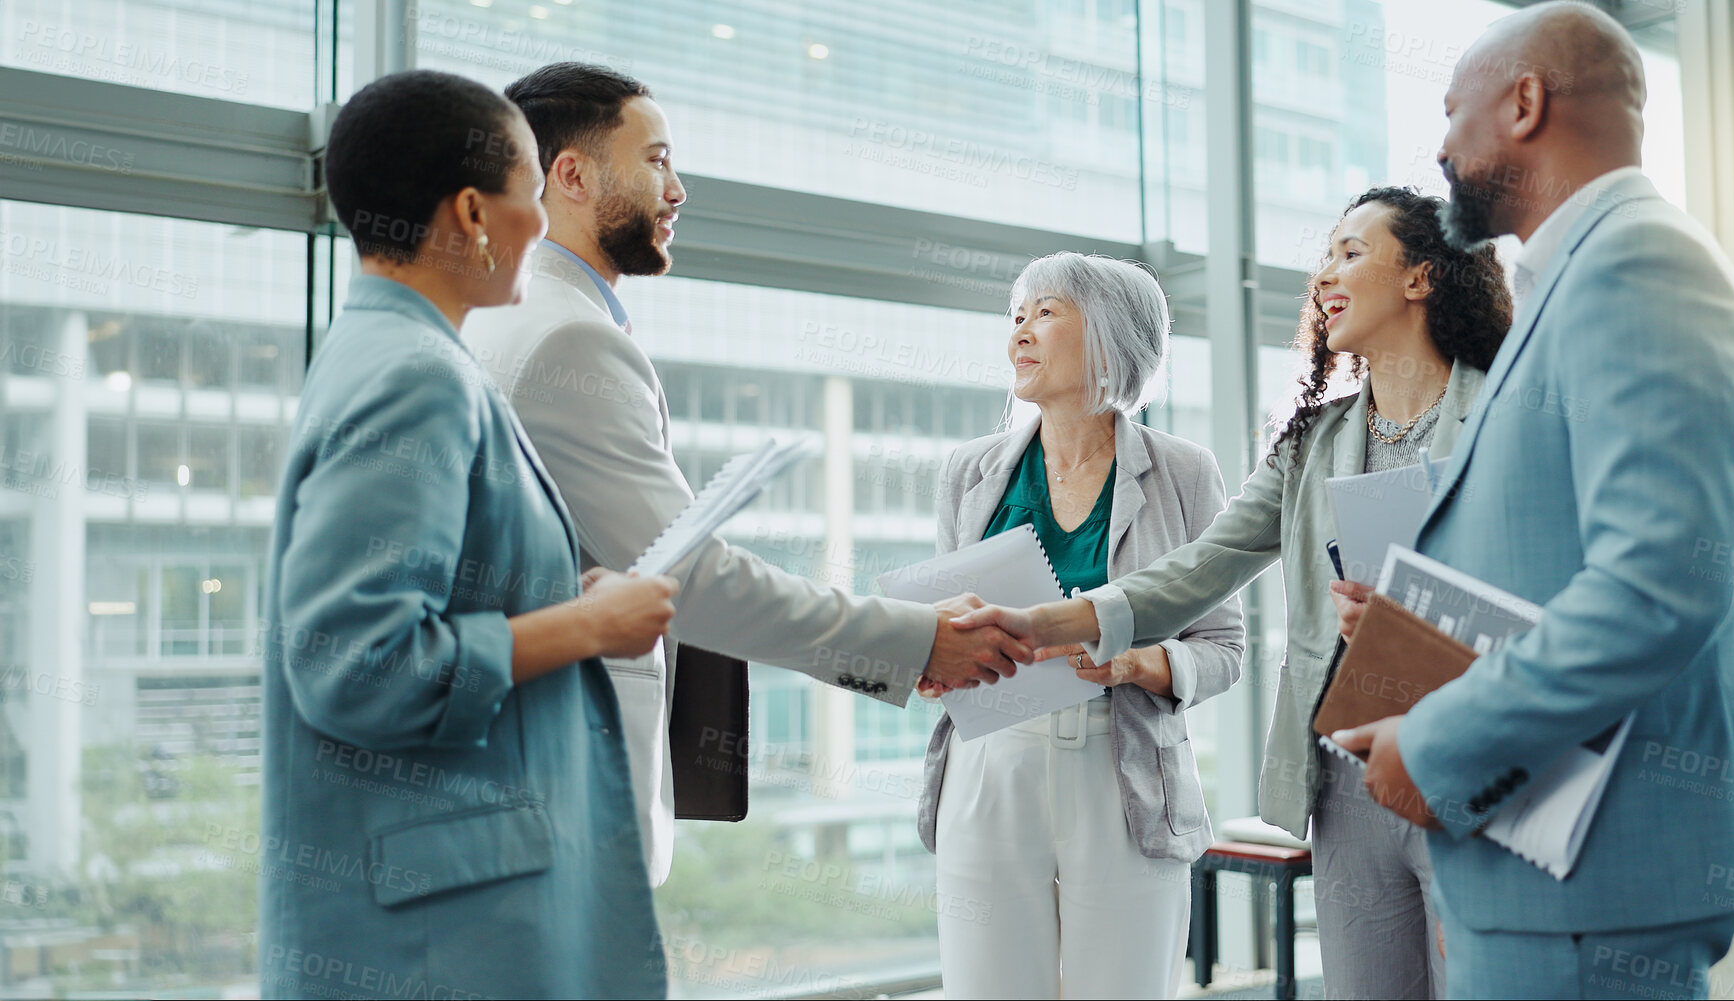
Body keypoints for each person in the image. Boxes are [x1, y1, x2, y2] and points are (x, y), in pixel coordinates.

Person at [1326, 4, 1734, 997]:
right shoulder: (1582, 275)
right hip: (1557, 879)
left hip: (1591, 885)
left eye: (1450, 113)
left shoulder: (1636, 267)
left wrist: (1435, 738)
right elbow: (1574, 560)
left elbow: (1656, 589)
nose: (1438, 146)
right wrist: (1418, 632)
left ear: (1523, 102)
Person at [458, 62, 1028, 887]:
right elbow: (689, 580)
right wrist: (917, 640)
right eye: (655, 160)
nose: (678, 189)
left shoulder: (517, 320)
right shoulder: (565, 340)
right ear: (570, 175)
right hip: (558, 799)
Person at [950, 191, 1511, 998]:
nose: (1324, 276)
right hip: (1350, 778)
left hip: (1479, 759)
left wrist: (1434, 619)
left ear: (1421, 275)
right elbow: (1195, 571)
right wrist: (1039, 622)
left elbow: (1570, 595)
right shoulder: (1311, 441)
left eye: (1351, 253)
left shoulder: (1509, 415)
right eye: (1326, 255)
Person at [260, 70, 678, 998]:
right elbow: (354, 662)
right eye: (529, 191)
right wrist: (591, 627)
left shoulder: (385, 350)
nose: (541, 221)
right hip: (440, 931)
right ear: (472, 214)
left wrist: (563, 599)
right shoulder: (417, 378)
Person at [917, 252, 1244, 999]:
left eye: (1045, 311)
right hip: (989, 764)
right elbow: (944, 622)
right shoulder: (968, 472)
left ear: (1110, 333)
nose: (1020, 333)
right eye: (1015, 316)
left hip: (1121, 769)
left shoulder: (1182, 470)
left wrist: (1135, 662)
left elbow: (1224, 649)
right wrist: (934, 661)